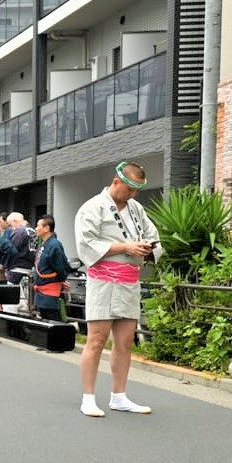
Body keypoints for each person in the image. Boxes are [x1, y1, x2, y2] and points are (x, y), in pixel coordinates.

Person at [75, 161, 162, 417]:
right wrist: (124, 247)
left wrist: (148, 247)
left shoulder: (136, 208)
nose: (134, 194)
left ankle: (119, 396)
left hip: (129, 281)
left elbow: (153, 235)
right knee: (97, 340)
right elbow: (86, 243)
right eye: (130, 188)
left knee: (125, 342)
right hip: (103, 281)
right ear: (116, 182)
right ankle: (88, 397)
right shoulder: (92, 207)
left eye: (137, 190)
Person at [32, 215, 70, 321]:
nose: (35, 228)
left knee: (53, 320)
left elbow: (61, 267)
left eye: (38, 225)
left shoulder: (55, 245)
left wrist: (62, 280)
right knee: (45, 319)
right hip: (41, 289)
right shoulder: (44, 244)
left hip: (50, 290)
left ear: (46, 228)